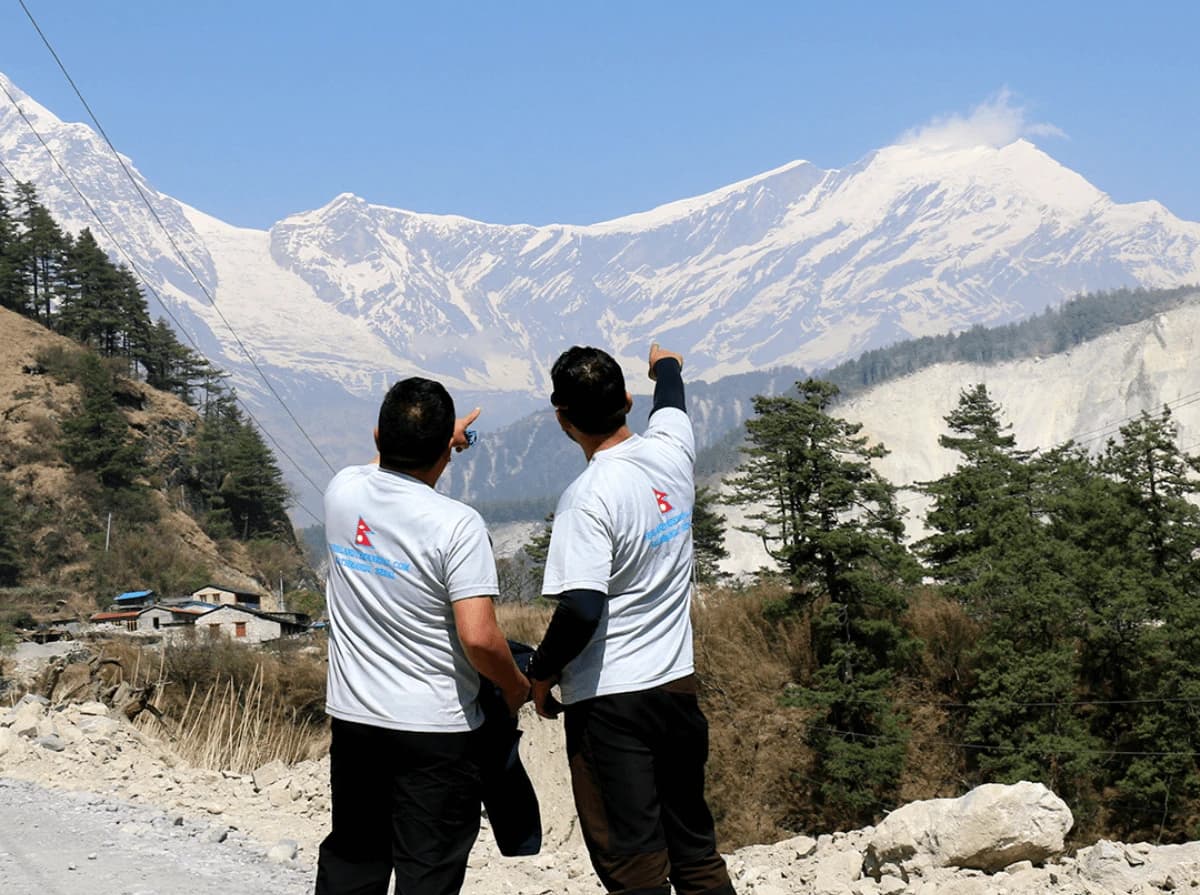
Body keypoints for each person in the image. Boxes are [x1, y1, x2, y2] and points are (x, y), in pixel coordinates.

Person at [527, 343, 736, 895]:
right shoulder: (671, 453)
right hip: (676, 688)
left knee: (634, 865)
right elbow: (671, 400)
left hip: (611, 704)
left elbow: (582, 607)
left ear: (563, 420)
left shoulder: (588, 496)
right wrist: (665, 363)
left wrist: (542, 673)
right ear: (624, 400)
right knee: (695, 851)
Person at [316, 377, 530, 895]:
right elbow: (478, 638)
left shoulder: (342, 492)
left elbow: (379, 464)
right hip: (437, 731)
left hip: (356, 721)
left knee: (353, 859)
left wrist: (433, 438)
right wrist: (516, 686)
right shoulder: (457, 526)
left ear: (376, 437)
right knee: (428, 871)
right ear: (446, 454)